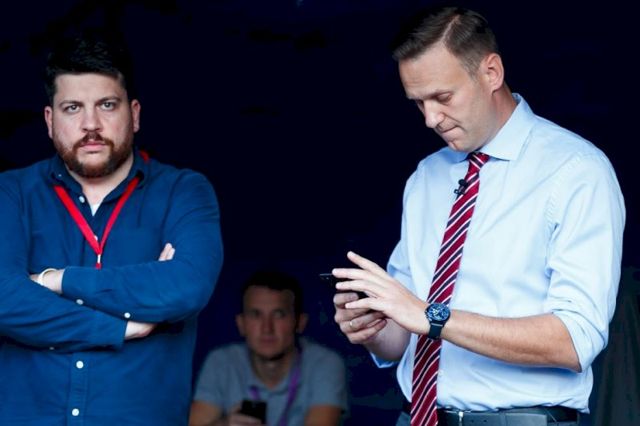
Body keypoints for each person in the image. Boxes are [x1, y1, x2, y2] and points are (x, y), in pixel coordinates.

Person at [331, 6, 624, 426]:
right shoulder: (426, 177)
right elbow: (405, 333)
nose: (430, 119)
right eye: (418, 103)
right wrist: (373, 326)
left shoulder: (576, 171)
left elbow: (576, 341)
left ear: (491, 73)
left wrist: (432, 317)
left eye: (442, 97)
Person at [0, 32, 223, 425]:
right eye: (72, 108)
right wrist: (120, 328)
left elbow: (186, 285)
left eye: (106, 105)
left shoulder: (183, 192)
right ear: (50, 120)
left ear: (134, 114)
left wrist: (55, 281)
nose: (90, 124)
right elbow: (4, 298)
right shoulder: (11, 192)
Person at [190, 269, 348, 426]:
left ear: (300, 322)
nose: (267, 328)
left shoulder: (324, 363)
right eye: (256, 315)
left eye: (279, 314)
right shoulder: (221, 362)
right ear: (241, 324)